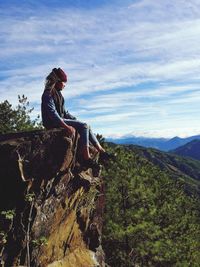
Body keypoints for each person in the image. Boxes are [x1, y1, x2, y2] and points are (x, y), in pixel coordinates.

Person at [41, 67, 106, 172]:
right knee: (84, 126)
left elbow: (64, 112)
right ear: (57, 81)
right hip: (52, 122)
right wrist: (66, 126)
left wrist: (74, 120)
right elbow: (52, 114)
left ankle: (102, 152)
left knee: (86, 126)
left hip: (58, 120)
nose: (64, 85)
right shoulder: (48, 93)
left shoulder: (58, 94)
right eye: (63, 82)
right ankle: (86, 158)